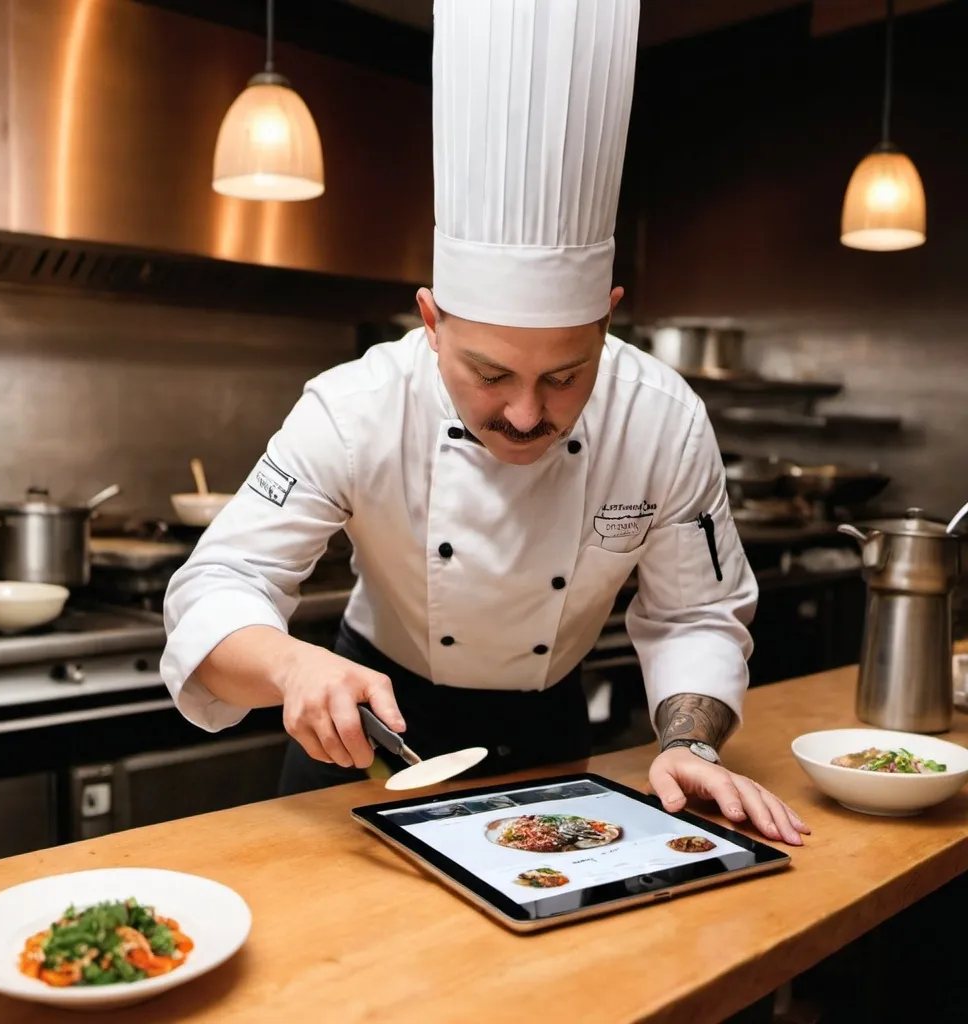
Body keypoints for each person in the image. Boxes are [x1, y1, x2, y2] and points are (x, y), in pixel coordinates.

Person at [160, 0, 809, 847]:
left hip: (547, 733)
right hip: (366, 729)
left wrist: (690, 742)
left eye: (567, 374)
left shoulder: (662, 421)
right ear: (431, 323)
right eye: (490, 374)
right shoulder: (356, 406)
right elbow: (214, 587)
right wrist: (293, 666)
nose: (528, 412)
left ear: (610, 319)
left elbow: (696, 615)